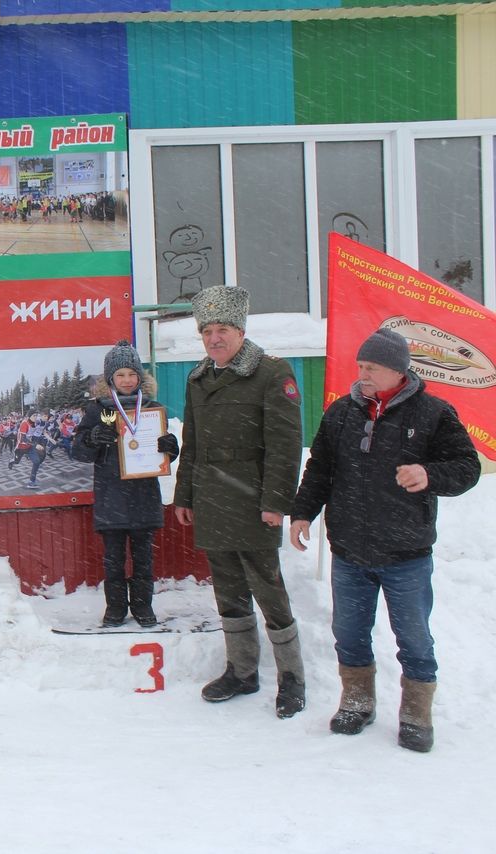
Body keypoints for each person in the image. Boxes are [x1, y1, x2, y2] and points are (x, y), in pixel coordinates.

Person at [290, 328, 480, 752]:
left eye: (371, 367)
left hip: (406, 554)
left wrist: (429, 474)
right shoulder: (342, 413)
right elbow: (320, 467)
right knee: (349, 632)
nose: (363, 374)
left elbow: (466, 467)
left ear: (397, 370)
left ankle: (415, 712)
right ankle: (357, 701)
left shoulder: (433, 413)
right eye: (360, 366)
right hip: (350, 553)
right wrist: (303, 512)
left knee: (413, 637)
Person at [172, 285, 306, 718]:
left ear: (241, 330)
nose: (214, 338)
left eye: (223, 329)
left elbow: (286, 445)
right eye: (207, 331)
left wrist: (276, 502)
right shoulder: (199, 379)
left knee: (269, 590)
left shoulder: (271, 372)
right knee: (228, 588)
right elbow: (191, 443)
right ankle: (243, 671)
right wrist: (184, 494)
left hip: (254, 502)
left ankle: (292, 678)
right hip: (212, 500)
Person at [72, 341, 180, 628]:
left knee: (144, 559)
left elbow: (164, 451)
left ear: (140, 377)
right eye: (120, 375)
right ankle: (116, 608)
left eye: (132, 374)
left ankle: (143, 606)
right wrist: (93, 438)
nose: (127, 381)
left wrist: (171, 446)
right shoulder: (98, 410)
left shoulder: (154, 408)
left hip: (144, 495)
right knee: (113, 560)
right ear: (110, 379)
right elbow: (78, 451)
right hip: (112, 497)